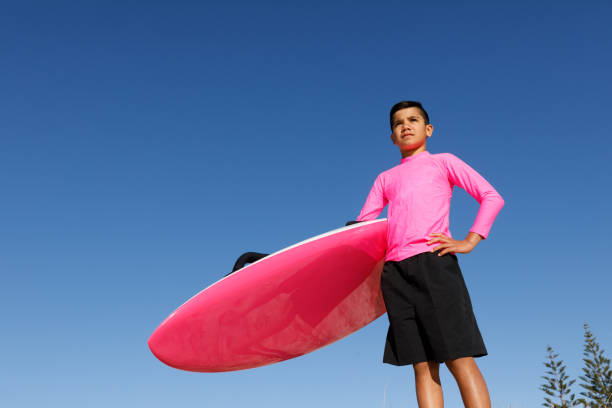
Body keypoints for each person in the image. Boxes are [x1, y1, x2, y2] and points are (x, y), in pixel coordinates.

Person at [355, 101, 504, 408]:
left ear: (428, 129)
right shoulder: (385, 178)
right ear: (392, 137)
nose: (405, 126)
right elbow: (363, 227)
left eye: (413, 120)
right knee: (422, 364)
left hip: (434, 264)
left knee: (457, 356)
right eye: (398, 123)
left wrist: (470, 240)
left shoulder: (443, 162)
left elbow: (491, 197)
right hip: (395, 273)